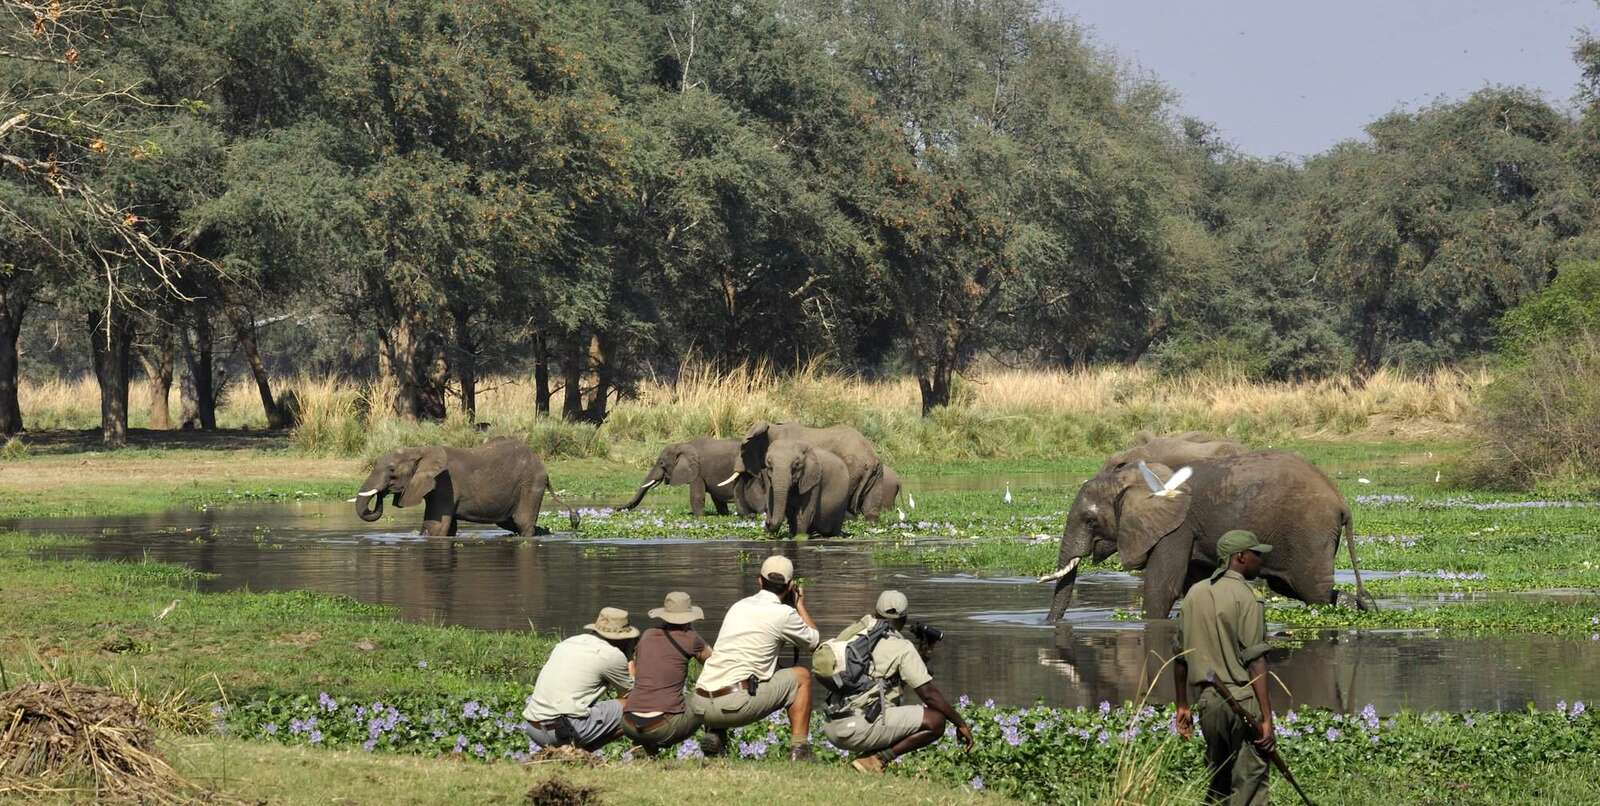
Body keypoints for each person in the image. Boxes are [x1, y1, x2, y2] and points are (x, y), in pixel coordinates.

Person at [1173, 530, 1276, 806]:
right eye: (1256, 554)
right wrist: (1266, 718)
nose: (1260, 560)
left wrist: (1182, 705)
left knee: (1219, 780)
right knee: (1251, 782)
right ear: (1240, 557)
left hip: (1208, 705)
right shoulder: (1248, 597)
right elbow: (1255, 661)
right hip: (1242, 701)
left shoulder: (1194, 594)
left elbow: (1180, 656)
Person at [822, 590, 973, 774]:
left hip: (831, 726)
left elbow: (884, 682)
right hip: (857, 729)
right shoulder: (903, 648)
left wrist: (921, 658)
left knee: (892, 711)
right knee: (936, 721)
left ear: (875, 612)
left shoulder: (854, 633)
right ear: (903, 619)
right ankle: (876, 759)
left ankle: (865, 761)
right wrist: (960, 723)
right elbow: (929, 695)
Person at [689, 554, 820, 760]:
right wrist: (800, 605)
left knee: (728, 668)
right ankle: (800, 750)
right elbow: (814, 643)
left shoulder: (738, 606)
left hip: (700, 704)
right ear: (790, 586)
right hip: (734, 705)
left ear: (759, 580)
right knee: (802, 677)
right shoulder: (785, 614)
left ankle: (716, 735)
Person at [522, 606, 638, 751]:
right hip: (564, 732)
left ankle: (575, 754)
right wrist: (629, 657)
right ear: (624, 638)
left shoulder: (568, 642)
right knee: (635, 707)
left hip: (534, 729)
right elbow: (632, 696)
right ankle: (578, 751)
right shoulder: (612, 655)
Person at [622, 591, 713, 755]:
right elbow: (714, 662)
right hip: (663, 726)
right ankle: (715, 746)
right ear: (689, 618)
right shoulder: (692, 638)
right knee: (707, 701)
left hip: (629, 722)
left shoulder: (647, 635)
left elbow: (637, 669)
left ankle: (646, 751)